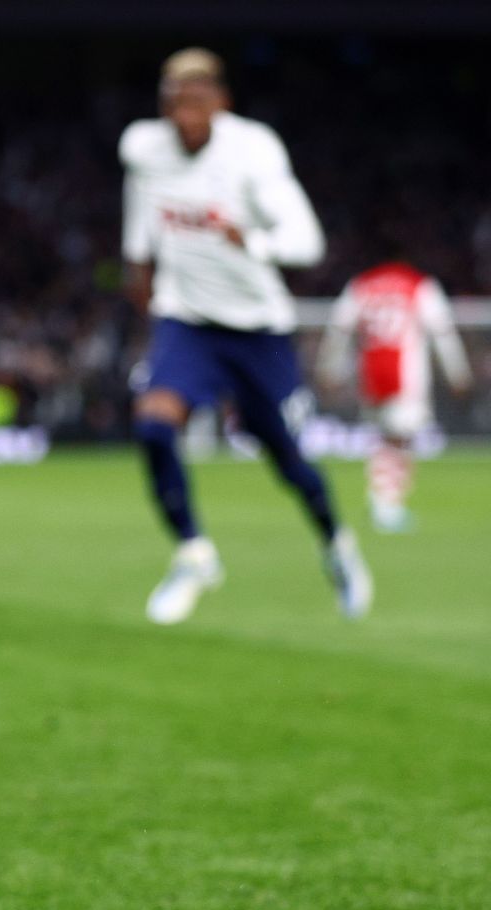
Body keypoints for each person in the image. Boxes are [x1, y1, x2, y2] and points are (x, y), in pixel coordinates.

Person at [120, 47, 370, 624]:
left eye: (199, 93)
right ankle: (193, 553)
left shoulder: (253, 151)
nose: (186, 105)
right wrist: (137, 264)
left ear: (222, 100)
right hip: (186, 320)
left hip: (258, 327)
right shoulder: (145, 149)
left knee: (285, 456)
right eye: (176, 95)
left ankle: (336, 543)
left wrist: (250, 241)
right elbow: (142, 203)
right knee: (155, 425)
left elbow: (307, 241)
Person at [316, 259, 474, 532]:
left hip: (371, 374)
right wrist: (458, 372)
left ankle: (385, 500)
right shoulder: (419, 285)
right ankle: (386, 503)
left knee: (387, 439)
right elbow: (442, 332)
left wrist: (330, 367)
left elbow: (339, 327)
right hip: (406, 377)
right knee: (399, 441)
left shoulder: (362, 285)